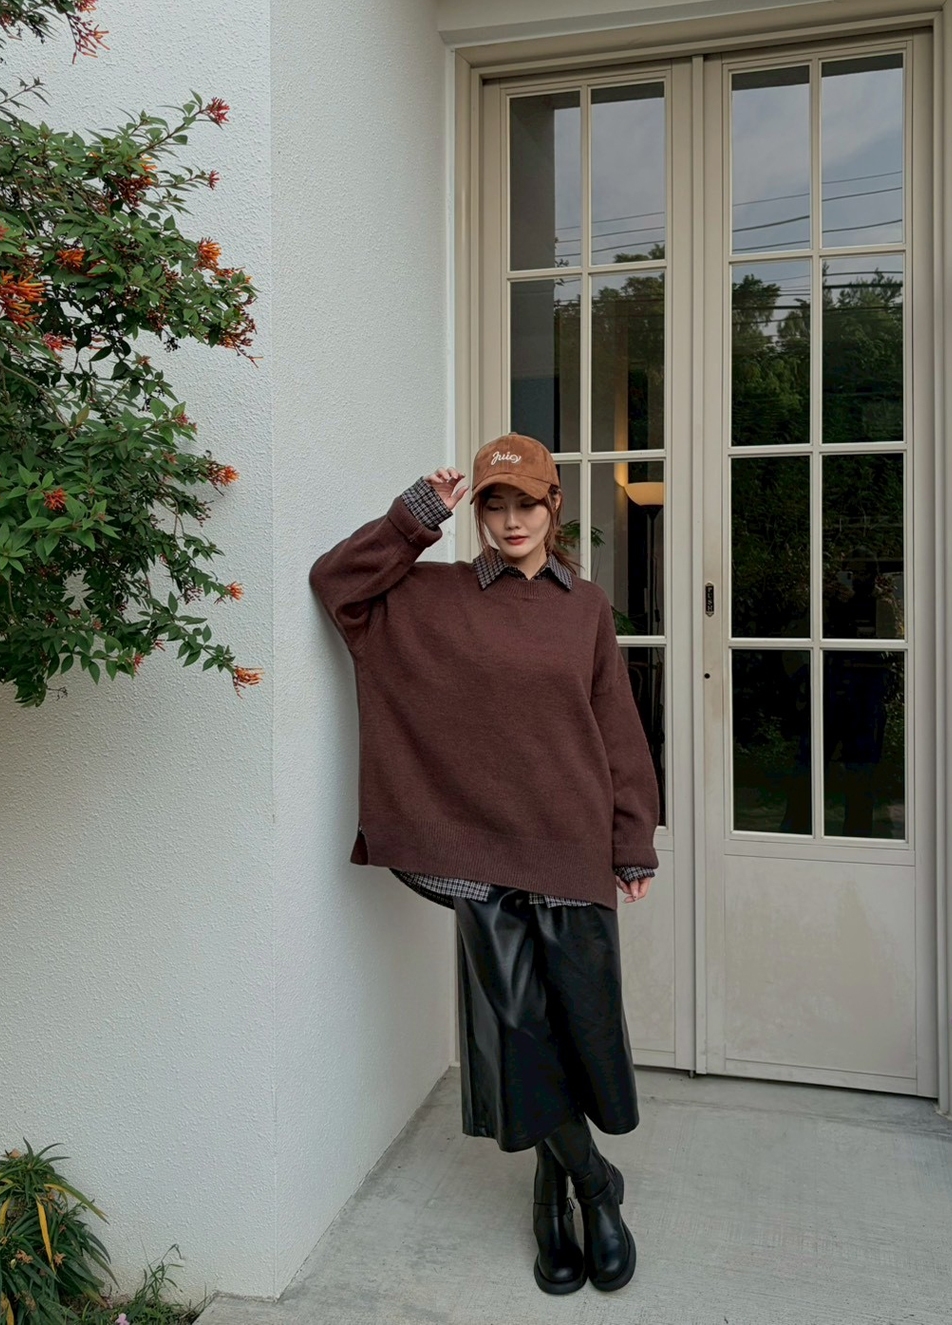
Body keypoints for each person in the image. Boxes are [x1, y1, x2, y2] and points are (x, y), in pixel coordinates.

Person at [308, 432, 660, 1295]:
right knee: (519, 1033)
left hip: (570, 845)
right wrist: (414, 514)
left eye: (526, 503)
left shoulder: (587, 609)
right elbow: (337, 584)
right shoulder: (436, 594)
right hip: (481, 856)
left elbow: (617, 729)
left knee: (575, 1028)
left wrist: (632, 837)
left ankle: (548, 1191)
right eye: (494, 505)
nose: (510, 520)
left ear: (553, 507)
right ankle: (593, 1187)